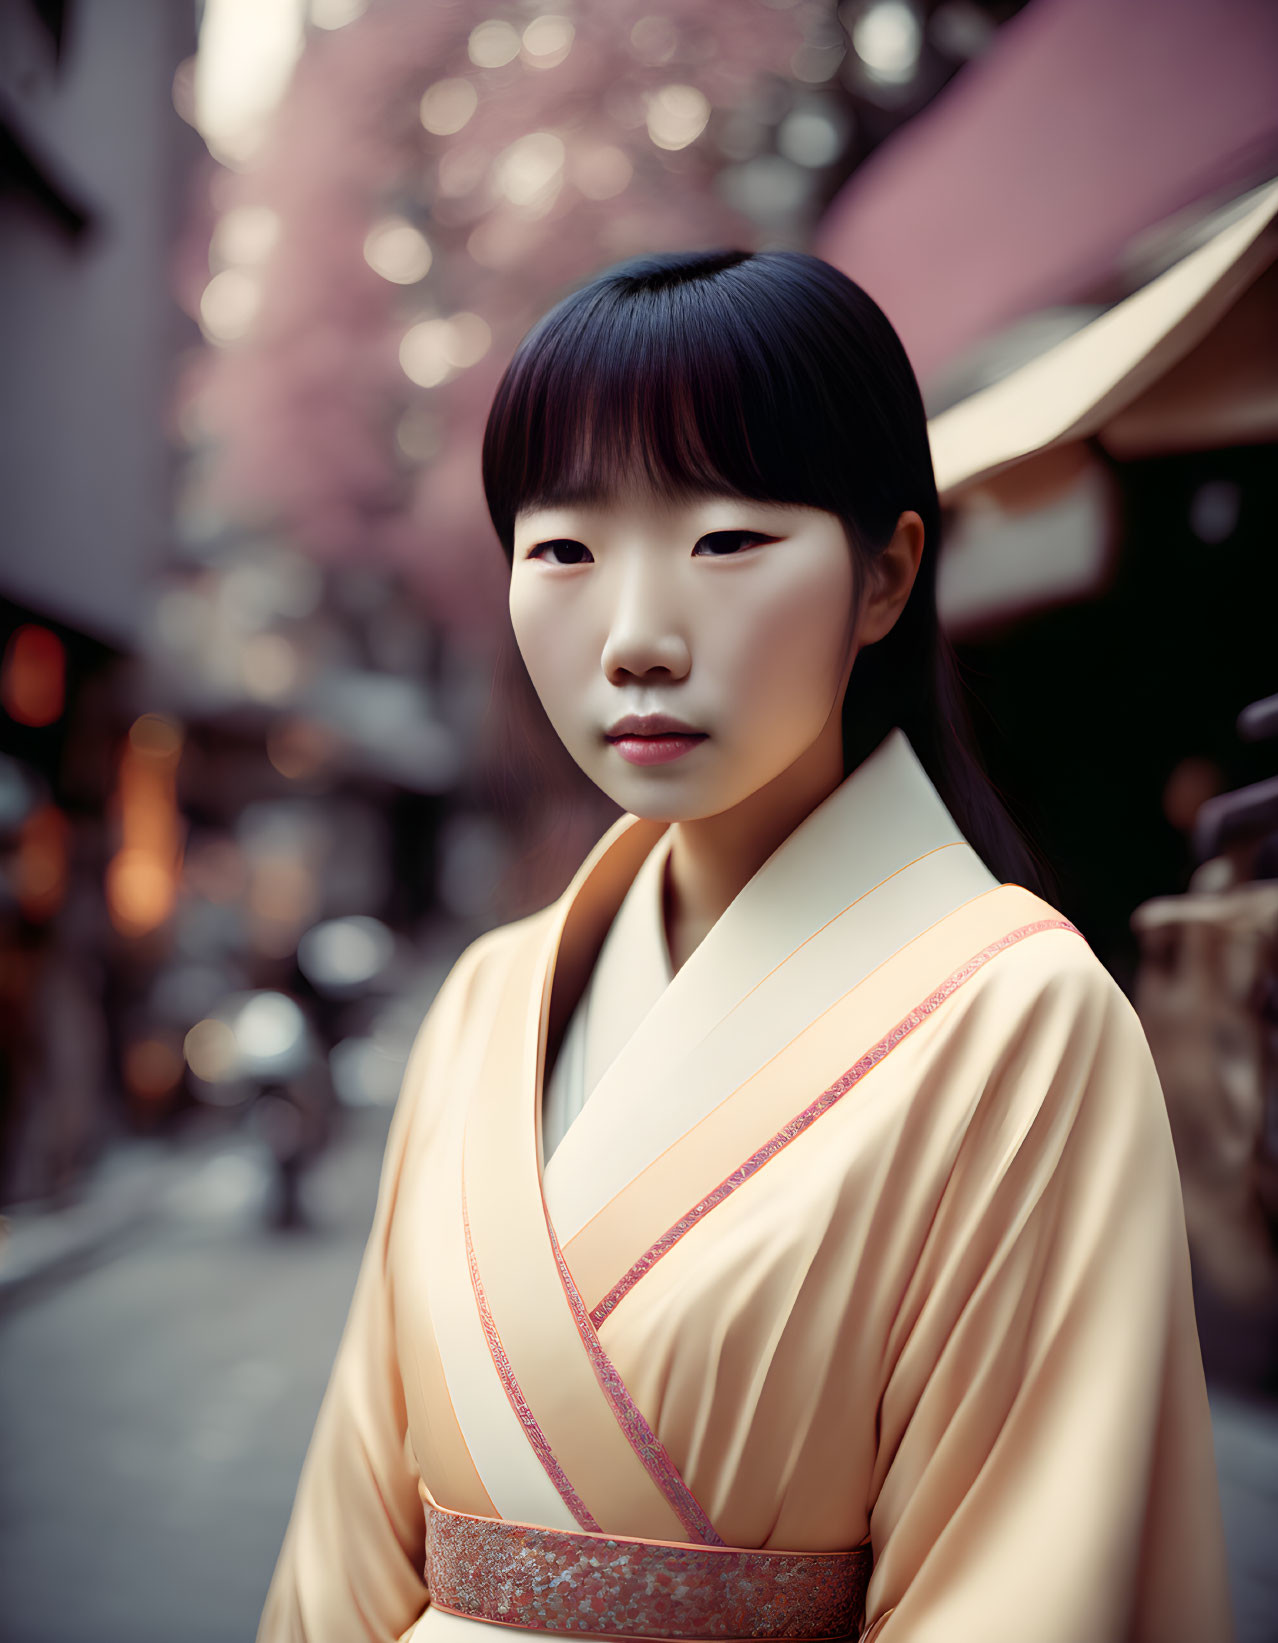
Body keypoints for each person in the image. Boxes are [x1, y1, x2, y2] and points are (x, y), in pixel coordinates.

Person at [257, 249, 1233, 1643]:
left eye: (724, 541)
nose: (639, 639)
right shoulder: (487, 997)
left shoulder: (1023, 1018)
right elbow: (346, 1545)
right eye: (564, 551)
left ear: (886, 572)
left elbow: (1018, 1586)